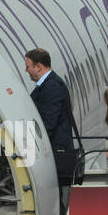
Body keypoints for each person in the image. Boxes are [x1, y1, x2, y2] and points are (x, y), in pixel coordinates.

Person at [24, 48, 78, 187]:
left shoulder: (52, 87)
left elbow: (48, 123)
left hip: (55, 154)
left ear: (38, 67)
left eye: (28, 66)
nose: (26, 70)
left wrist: (27, 146)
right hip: (52, 152)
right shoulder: (47, 84)